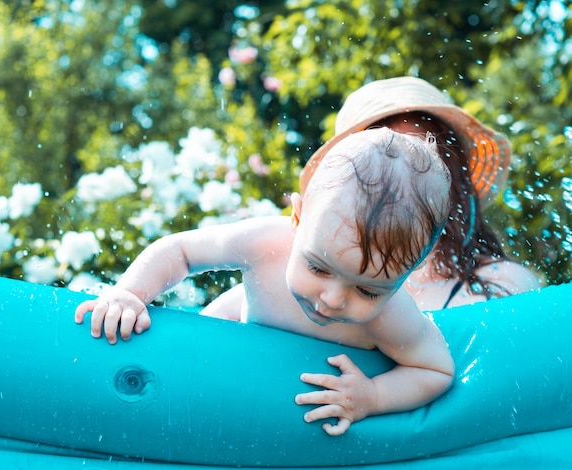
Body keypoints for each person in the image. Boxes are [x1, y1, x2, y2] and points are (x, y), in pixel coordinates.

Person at [75, 127, 455, 436]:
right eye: (319, 268)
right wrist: (130, 292)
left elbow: (436, 370)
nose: (334, 298)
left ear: (408, 275)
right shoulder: (267, 245)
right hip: (238, 326)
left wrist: (373, 396)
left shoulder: (391, 317)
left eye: (369, 290)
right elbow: (181, 251)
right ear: (298, 219)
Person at [297, 76, 542, 312]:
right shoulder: (324, 294)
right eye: (380, 162)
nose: (402, 176)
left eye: (423, 158)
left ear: (452, 176)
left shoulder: (502, 285)